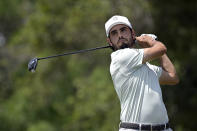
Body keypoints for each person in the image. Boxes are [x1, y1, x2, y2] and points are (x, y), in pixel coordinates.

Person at [105, 15, 179, 131]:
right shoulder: (120, 58)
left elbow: (172, 77)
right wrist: (151, 42)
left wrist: (153, 47)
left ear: (132, 34)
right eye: (114, 33)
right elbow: (161, 48)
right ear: (109, 41)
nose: (120, 35)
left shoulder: (147, 67)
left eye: (123, 30)